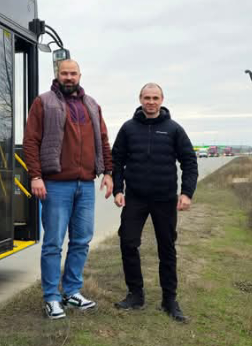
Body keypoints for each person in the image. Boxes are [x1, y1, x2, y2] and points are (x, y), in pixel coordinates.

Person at [22, 58, 113, 319]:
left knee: (82, 240)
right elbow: (31, 141)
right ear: (57, 75)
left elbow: (103, 141)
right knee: (53, 243)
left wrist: (108, 172)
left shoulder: (92, 105)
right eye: (65, 73)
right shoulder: (43, 102)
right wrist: (36, 176)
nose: (69, 77)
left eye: (73, 73)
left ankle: (72, 291)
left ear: (80, 75)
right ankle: (51, 297)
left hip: (85, 184)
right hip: (55, 185)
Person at [111, 83, 197, 321]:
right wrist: (118, 189)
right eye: (147, 97)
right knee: (128, 243)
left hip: (165, 199)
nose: (151, 102)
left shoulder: (173, 129)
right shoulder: (128, 129)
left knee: (166, 249)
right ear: (140, 99)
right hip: (135, 198)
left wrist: (186, 193)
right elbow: (116, 161)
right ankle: (135, 294)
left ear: (162, 99)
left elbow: (189, 162)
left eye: (155, 98)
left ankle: (169, 300)